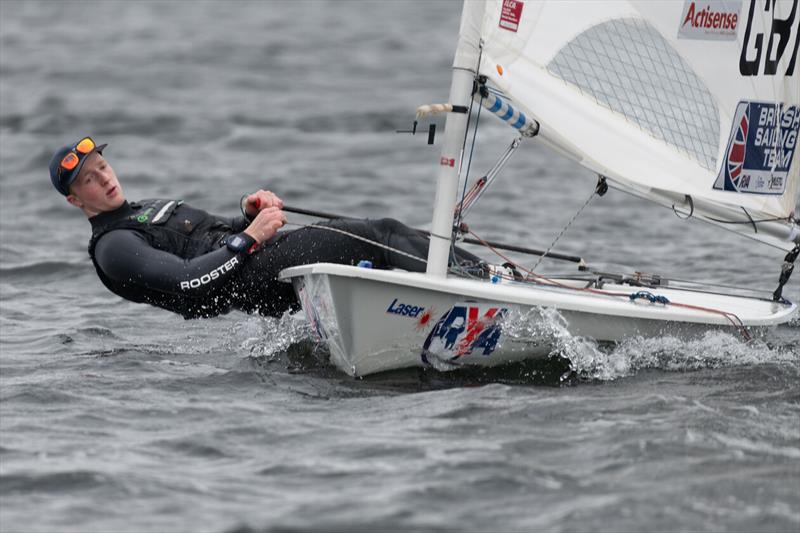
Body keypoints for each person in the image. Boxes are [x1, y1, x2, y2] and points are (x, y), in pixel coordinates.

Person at [49, 136, 486, 319]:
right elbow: (188, 281)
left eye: (103, 167)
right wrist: (250, 236)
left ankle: (466, 290)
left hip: (255, 262)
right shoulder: (114, 246)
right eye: (90, 179)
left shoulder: (139, 212)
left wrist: (246, 211)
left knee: (377, 243)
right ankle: (485, 287)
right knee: (378, 234)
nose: (105, 179)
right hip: (251, 282)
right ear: (75, 199)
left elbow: (206, 239)